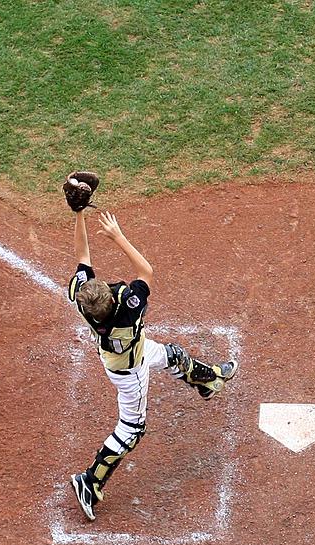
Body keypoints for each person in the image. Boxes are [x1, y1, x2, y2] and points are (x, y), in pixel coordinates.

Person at [64, 175, 238, 521]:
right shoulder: (127, 309)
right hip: (130, 370)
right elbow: (146, 269)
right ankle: (90, 481)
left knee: (172, 355)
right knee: (132, 428)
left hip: (123, 353)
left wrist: (79, 213)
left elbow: (81, 255)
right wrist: (116, 236)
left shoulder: (82, 299)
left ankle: (209, 381)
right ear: (112, 299)